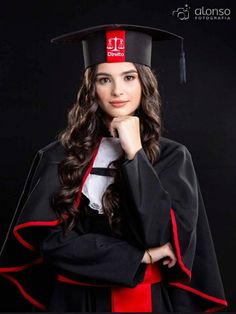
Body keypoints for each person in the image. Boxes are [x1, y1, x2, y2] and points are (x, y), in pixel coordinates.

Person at [0, 24, 228, 312]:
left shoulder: (173, 157)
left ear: (144, 83)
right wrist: (141, 257)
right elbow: (53, 247)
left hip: (145, 301)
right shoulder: (58, 156)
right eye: (104, 79)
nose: (118, 91)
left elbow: (158, 236)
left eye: (129, 77)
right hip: (74, 302)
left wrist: (134, 152)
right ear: (90, 87)